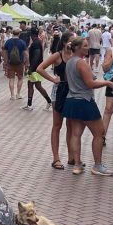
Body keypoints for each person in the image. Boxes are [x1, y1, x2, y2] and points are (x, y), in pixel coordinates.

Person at [63, 37, 113, 176]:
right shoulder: (81, 63)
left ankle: (77, 164)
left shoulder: (69, 62)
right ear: (78, 48)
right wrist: (107, 83)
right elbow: (90, 83)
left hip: (72, 100)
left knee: (76, 133)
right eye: (85, 46)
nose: (88, 48)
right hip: (84, 101)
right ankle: (97, 165)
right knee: (99, 133)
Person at [38, 30, 77, 169]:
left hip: (73, 92)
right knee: (57, 125)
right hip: (59, 91)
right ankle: (56, 158)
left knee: (71, 125)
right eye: (72, 41)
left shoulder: (76, 56)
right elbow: (40, 68)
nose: (73, 44)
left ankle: (72, 156)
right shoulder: (58, 55)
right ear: (65, 42)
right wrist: (53, 79)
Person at [24, 28, 52, 111]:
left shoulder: (35, 43)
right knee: (35, 85)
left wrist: (31, 68)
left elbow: (37, 55)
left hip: (35, 68)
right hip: (37, 67)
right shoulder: (37, 42)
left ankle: (30, 105)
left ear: (31, 35)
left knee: (34, 86)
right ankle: (48, 102)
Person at [2, 28, 27, 100]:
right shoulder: (22, 42)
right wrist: (26, 63)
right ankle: (18, 94)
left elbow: (5, 52)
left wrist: (5, 61)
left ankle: (12, 95)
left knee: (11, 79)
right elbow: (26, 54)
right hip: (20, 63)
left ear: (12, 33)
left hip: (10, 63)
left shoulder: (8, 42)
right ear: (19, 34)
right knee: (20, 78)